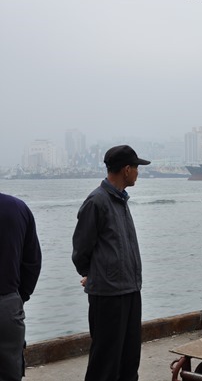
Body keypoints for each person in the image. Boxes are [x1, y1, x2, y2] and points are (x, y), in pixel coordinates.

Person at [72, 145, 150, 381]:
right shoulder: (96, 202)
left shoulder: (120, 200)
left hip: (130, 290)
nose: (138, 172)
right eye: (136, 168)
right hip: (107, 296)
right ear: (126, 170)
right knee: (105, 364)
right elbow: (81, 249)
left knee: (129, 360)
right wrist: (92, 274)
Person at [0, 193, 42, 381]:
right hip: (7, 304)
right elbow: (32, 262)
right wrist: (18, 297)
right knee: (10, 372)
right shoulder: (17, 207)